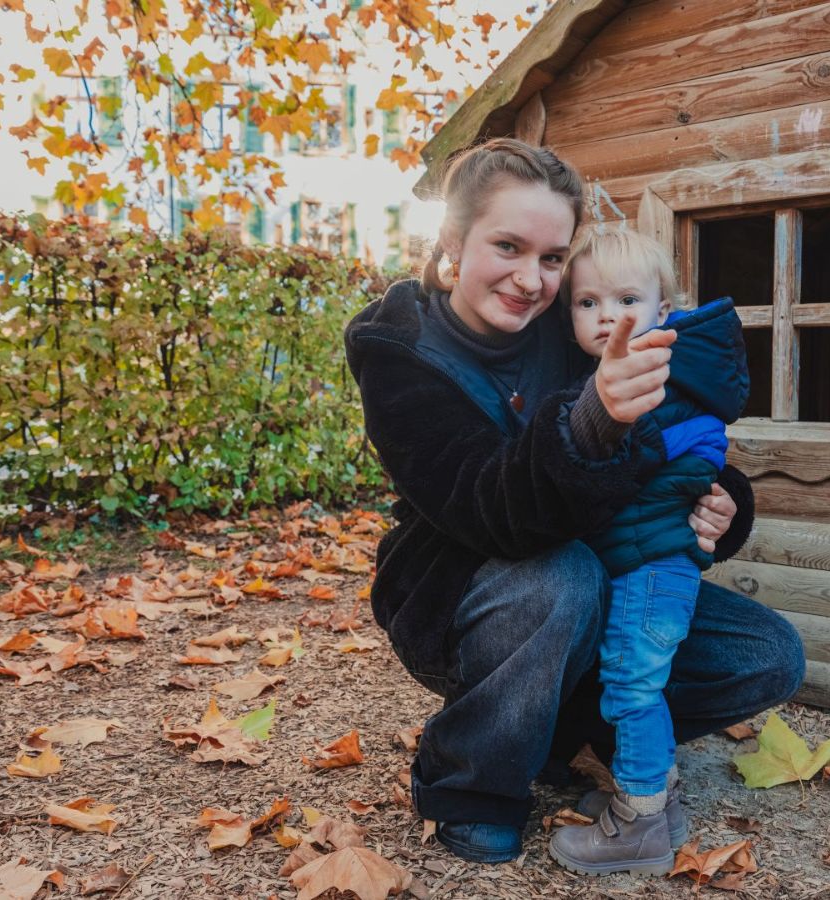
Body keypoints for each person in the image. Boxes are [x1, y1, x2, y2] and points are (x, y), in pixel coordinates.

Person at [343, 137, 805, 865]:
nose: (531, 279)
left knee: (765, 654)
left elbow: (676, 431)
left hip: (606, 565)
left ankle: (562, 737)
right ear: (455, 240)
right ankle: (470, 781)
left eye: (553, 258)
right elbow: (484, 510)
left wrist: (722, 501)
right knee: (564, 577)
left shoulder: (576, 319)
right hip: (463, 589)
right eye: (508, 246)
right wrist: (595, 419)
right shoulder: (400, 349)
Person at [548, 227, 748, 876]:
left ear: (666, 308)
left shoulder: (658, 383)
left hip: (656, 564)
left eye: (627, 298)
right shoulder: (624, 375)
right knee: (633, 681)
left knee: (633, 685)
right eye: (587, 302)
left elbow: (688, 458)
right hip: (643, 558)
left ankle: (637, 821)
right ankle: (663, 800)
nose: (606, 315)